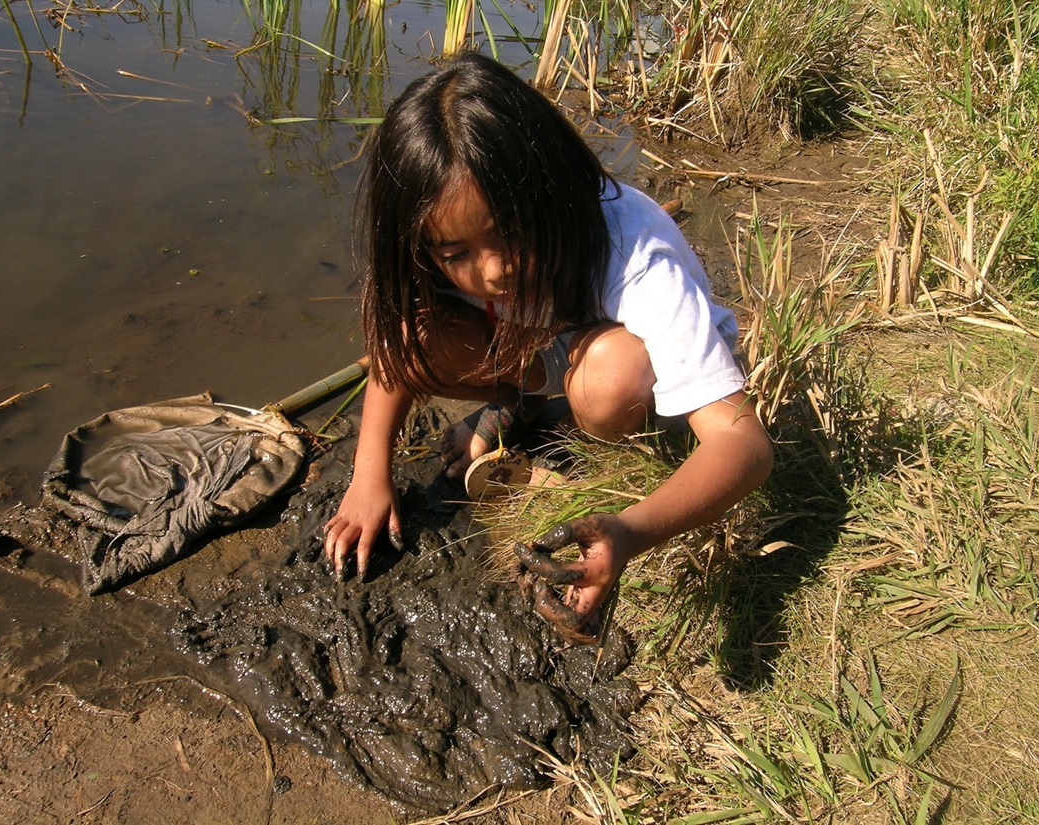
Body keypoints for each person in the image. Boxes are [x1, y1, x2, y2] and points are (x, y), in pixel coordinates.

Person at [323, 51, 773, 642]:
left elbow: (745, 442)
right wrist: (368, 473)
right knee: (416, 334)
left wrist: (629, 531)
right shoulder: (448, 247)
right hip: (547, 351)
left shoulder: (633, 255)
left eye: (510, 232)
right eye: (455, 254)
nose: (493, 270)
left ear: (552, 186)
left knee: (611, 376)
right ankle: (526, 404)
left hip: (640, 382)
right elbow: (394, 345)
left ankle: (565, 417)